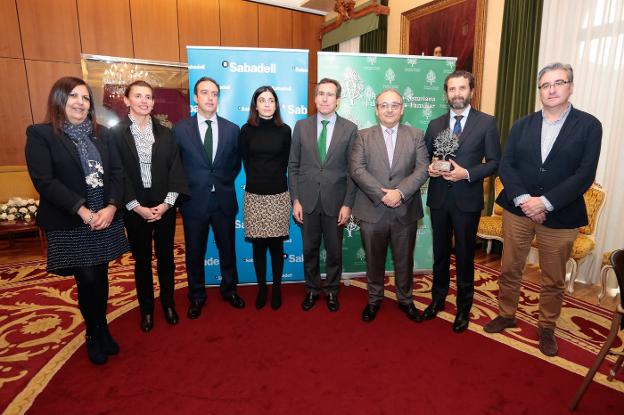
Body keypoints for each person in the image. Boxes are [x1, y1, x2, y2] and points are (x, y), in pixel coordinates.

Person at [483, 63, 602, 357]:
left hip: (560, 216)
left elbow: (584, 174)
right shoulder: (522, 124)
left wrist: (545, 202)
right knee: (510, 267)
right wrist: (525, 198)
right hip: (518, 210)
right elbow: (507, 164)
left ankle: (546, 327)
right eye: (545, 85)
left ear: (570, 87)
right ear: (539, 91)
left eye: (558, 83)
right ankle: (507, 314)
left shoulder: (589, 125)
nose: (551, 89)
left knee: (553, 277)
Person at [25, 76, 129, 365]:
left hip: (105, 216)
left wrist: (111, 207)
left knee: (102, 274)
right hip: (73, 218)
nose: (80, 102)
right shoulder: (41, 134)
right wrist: (82, 210)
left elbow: (118, 174)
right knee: (87, 278)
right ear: (59, 99)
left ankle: (103, 326)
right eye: (73, 96)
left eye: (85, 98)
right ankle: (93, 333)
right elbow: (44, 181)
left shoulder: (103, 134)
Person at [423, 70, 501, 333]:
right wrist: (430, 169)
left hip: (467, 200)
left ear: (471, 91)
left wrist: (466, 173)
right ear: (446, 93)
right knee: (440, 254)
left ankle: (464, 309)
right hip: (438, 199)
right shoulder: (434, 124)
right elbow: (425, 158)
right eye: (452, 89)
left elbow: (494, 163)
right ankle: (437, 300)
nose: (457, 93)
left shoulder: (487, 123)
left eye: (462, 88)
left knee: (466, 256)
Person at [112, 81, 189, 332]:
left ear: (154, 103)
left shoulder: (166, 133)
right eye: (138, 96)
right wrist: (135, 206)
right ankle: (146, 309)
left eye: (148, 97)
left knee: (166, 258)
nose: (144, 101)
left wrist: (167, 204)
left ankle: (168, 303)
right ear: (127, 100)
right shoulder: (116, 135)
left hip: (163, 206)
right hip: (135, 207)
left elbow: (176, 170)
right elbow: (117, 173)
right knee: (142, 261)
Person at [351, 88, 429, 323]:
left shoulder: (416, 135)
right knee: (373, 260)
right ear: (376, 110)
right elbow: (357, 169)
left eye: (394, 105)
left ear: (402, 109)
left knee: (404, 259)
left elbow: (423, 168)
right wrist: (382, 194)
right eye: (384, 105)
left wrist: (400, 193)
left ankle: (405, 300)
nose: (389, 109)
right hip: (372, 210)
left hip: (405, 210)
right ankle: (374, 300)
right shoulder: (363, 136)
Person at [172, 76, 245, 319]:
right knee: (194, 252)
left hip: (223, 200)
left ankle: (229, 289)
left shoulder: (232, 129)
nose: (210, 97)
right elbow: (176, 165)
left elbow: (235, 164)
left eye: (214, 93)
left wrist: (220, 182)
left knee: (228, 250)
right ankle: (196, 296)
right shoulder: (180, 129)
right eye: (205, 93)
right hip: (194, 201)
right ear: (195, 97)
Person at [288, 78, 358, 312]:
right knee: (309, 249)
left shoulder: (350, 129)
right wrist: (295, 199)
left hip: (335, 202)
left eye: (330, 95)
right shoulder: (301, 127)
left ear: (337, 101)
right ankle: (311, 289)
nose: (325, 99)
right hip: (306, 201)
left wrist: (348, 204)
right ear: (315, 98)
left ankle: (331, 290)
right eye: (321, 94)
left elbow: (352, 171)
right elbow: (294, 166)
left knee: (335, 251)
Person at [240, 86, 291, 310]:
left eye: (271, 100)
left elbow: (287, 160)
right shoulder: (246, 130)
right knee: (259, 247)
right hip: (254, 195)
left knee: (276, 246)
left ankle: (277, 288)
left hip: (279, 194)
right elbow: (245, 160)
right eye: (262, 100)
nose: (267, 104)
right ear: (256, 105)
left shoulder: (285, 130)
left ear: (276, 104)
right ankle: (262, 288)